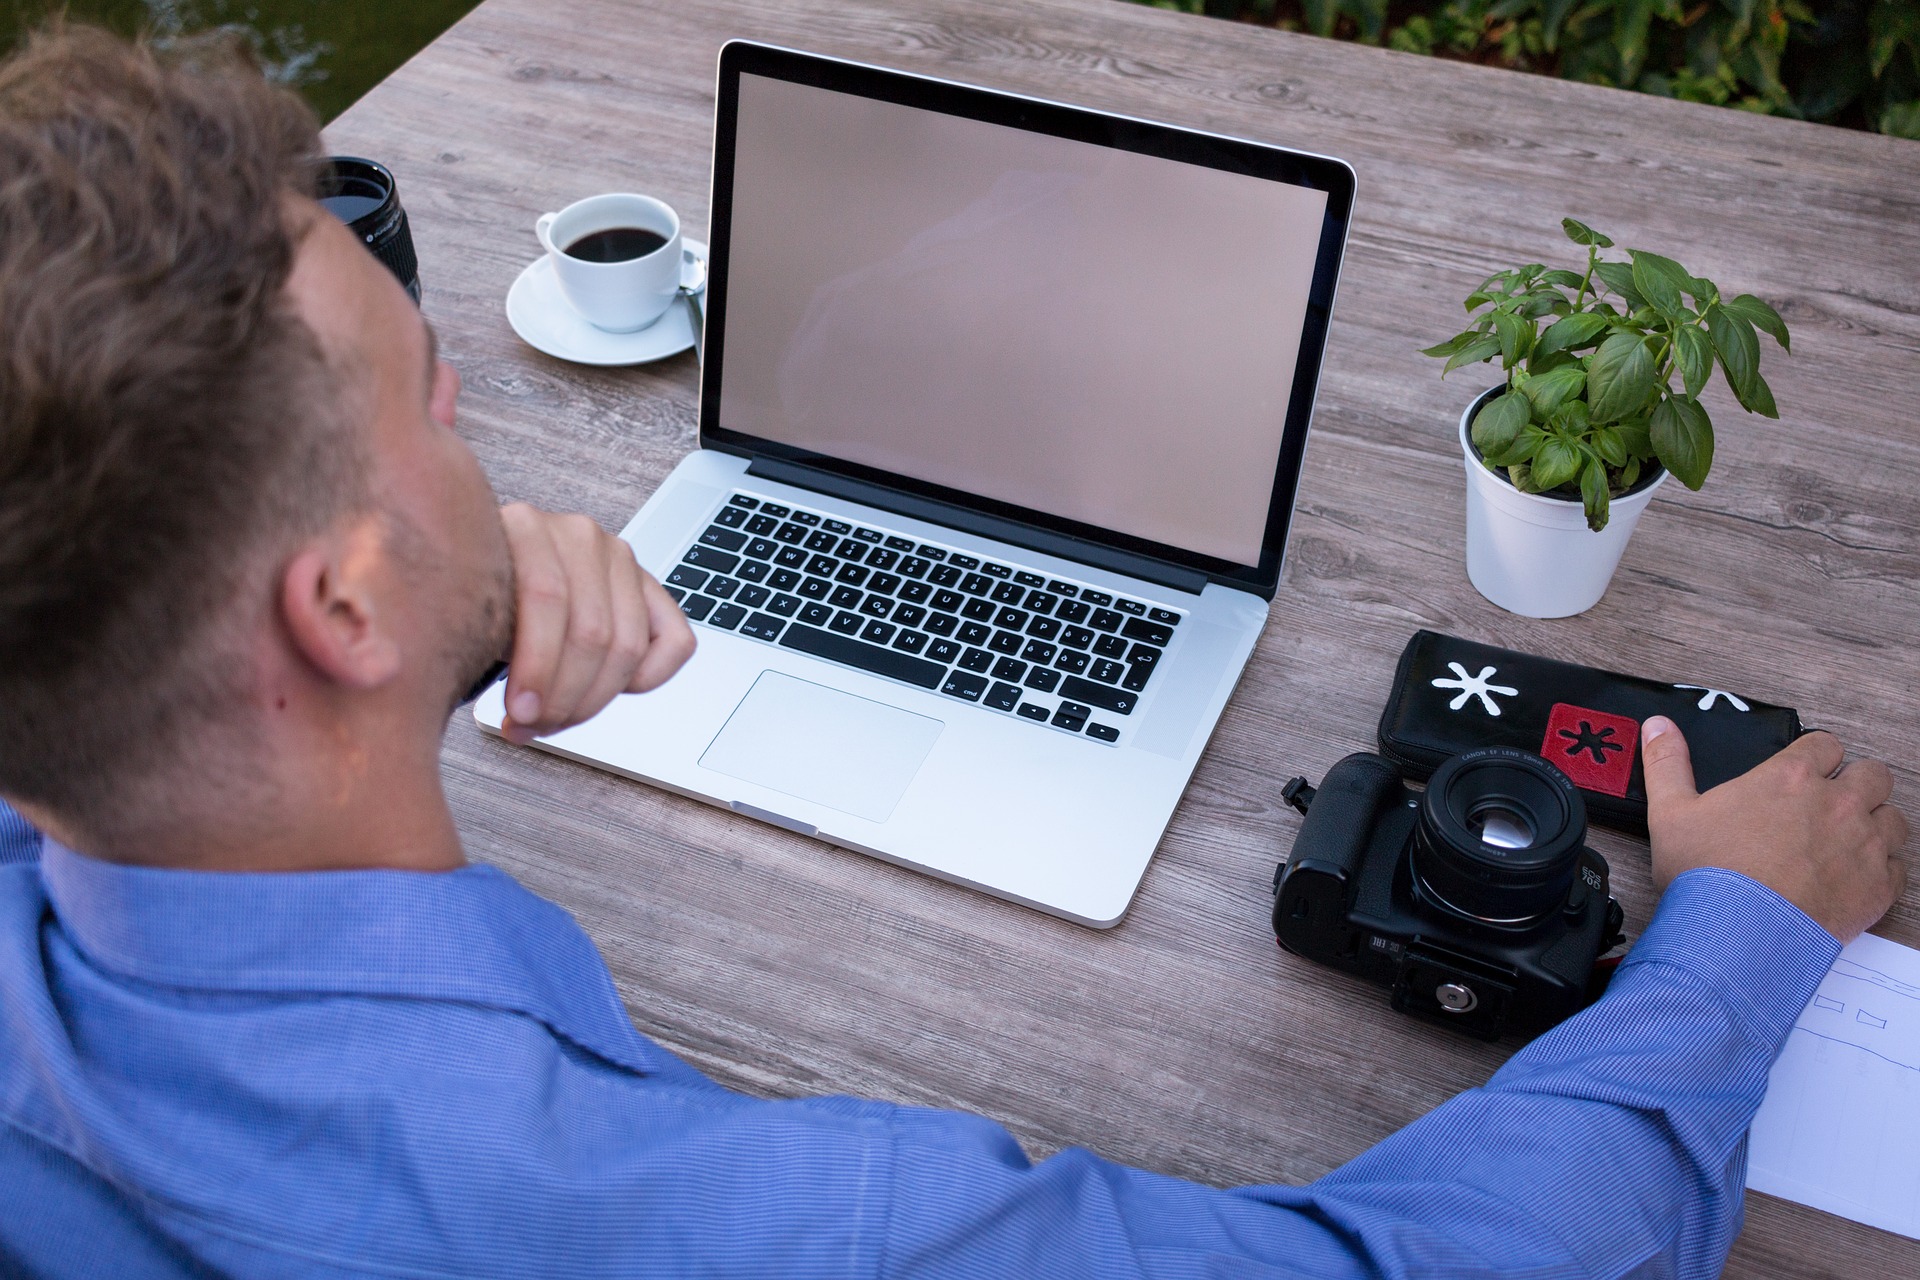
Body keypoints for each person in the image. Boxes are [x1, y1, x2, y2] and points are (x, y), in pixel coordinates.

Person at [0, 25, 1908, 1280]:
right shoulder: (799, 1228)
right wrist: (1742, 942)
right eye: (433, 398)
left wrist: (444, 592)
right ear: (329, 608)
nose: (475, 449)